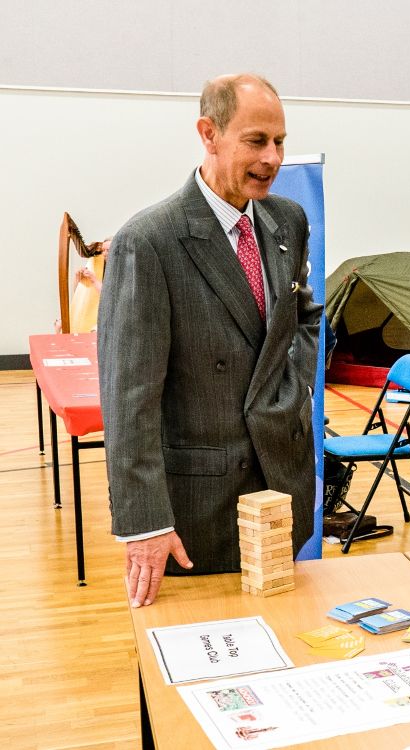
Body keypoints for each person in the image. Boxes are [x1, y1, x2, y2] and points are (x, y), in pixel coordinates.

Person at [98, 74, 321, 607]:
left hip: (278, 491)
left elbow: (305, 315)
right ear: (209, 133)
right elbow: (129, 398)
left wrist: (293, 384)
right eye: (256, 141)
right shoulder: (148, 241)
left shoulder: (287, 219)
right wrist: (145, 523)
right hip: (197, 511)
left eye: (280, 141)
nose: (272, 158)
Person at [70, 237, 111, 333]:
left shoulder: (120, 270)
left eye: (108, 250)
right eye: (102, 250)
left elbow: (108, 297)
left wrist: (93, 279)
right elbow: (77, 294)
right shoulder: (97, 264)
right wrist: (78, 279)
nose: (104, 253)